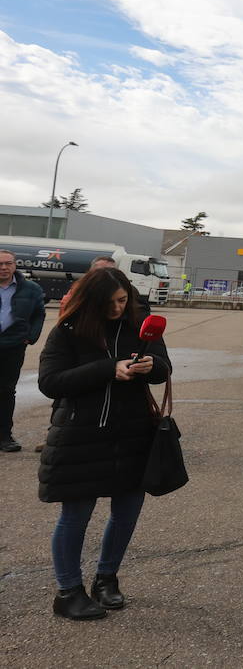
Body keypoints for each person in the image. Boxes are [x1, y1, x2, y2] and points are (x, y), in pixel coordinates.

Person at [37, 266, 170, 620]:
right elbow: (50, 382)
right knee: (75, 515)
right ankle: (68, 592)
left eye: (123, 300)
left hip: (133, 433)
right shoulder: (68, 330)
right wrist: (109, 369)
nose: (117, 308)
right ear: (91, 301)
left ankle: (106, 580)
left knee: (126, 513)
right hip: (80, 436)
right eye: (109, 303)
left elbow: (163, 369)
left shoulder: (140, 324)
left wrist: (149, 365)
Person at [0, 248, 46, 452]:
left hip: (13, 346)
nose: (3, 267)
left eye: (8, 263)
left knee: (6, 391)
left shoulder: (31, 289)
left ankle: (4, 437)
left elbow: (39, 314)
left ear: (15, 265)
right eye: (0, 264)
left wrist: (31, 336)